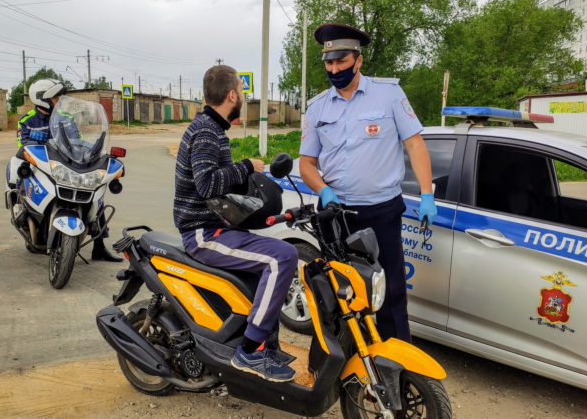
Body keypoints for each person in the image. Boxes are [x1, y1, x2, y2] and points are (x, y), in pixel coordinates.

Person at [299, 23, 437, 343]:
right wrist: (324, 190)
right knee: (343, 294)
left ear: (358, 60)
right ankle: (351, 367)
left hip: (381, 213)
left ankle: (397, 365)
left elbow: (415, 144)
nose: (334, 69)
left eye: (341, 62)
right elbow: (306, 164)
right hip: (337, 215)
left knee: (389, 292)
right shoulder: (317, 107)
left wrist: (427, 193)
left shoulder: (388, 95)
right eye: (329, 63)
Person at [173, 65, 297, 382]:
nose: (242, 98)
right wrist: (247, 166)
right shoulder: (205, 133)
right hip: (203, 233)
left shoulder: (212, 129)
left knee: (267, 264)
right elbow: (207, 184)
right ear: (231, 95)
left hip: (219, 227)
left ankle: (265, 346)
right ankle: (249, 353)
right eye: (241, 93)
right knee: (282, 257)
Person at [17, 78, 122, 263]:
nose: (60, 100)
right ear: (43, 99)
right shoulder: (27, 120)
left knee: (96, 195)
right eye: (56, 97)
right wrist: (32, 143)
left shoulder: (66, 119)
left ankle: (99, 247)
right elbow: (22, 142)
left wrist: (93, 151)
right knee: (22, 172)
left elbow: (78, 141)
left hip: (64, 164)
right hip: (42, 162)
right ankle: (21, 210)